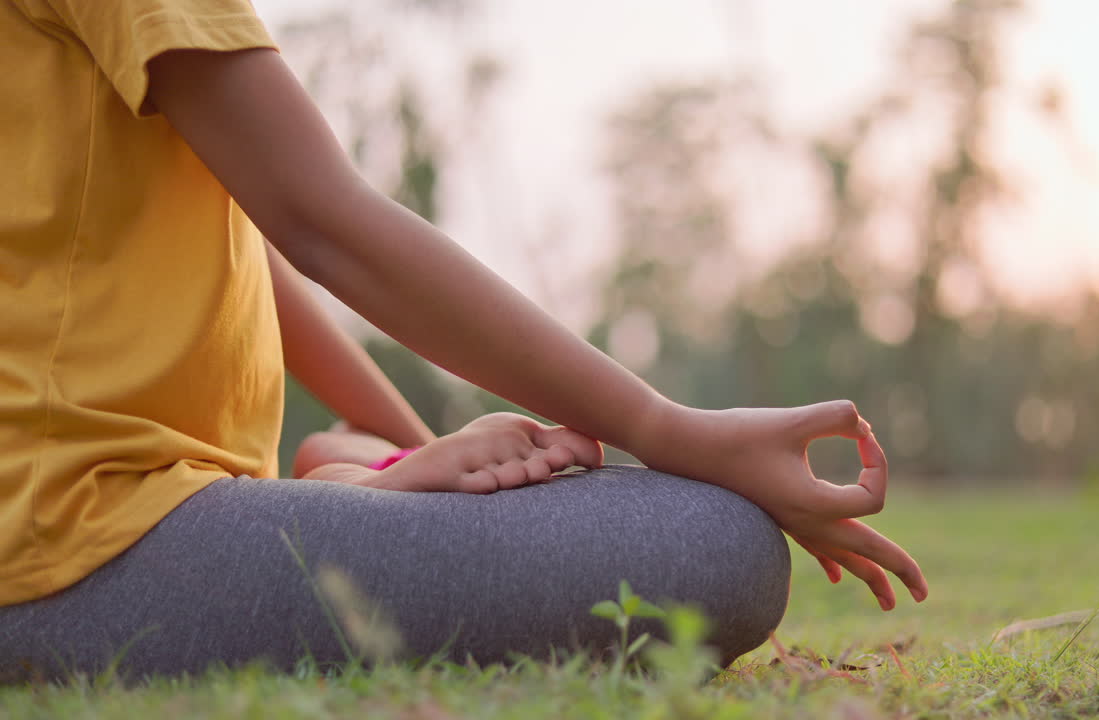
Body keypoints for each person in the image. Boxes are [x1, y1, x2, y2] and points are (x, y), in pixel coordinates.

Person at [0, 0, 928, 681]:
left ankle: (350, 480)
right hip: (78, 546)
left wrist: (410, 456)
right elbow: (321, 222)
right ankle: (347, 486)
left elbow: (245, 248)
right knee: (713, 545)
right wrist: (668, 426)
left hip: (91, 520)